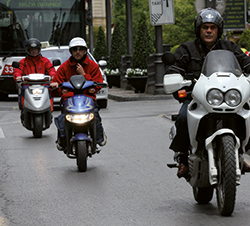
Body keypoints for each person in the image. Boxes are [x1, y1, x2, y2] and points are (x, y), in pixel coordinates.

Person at [166, 8, 250, 178]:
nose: (209, 30)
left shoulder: (230, 47)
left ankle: (241, 151)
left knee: (247, 113)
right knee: (183, 116)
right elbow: (174, 68)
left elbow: (245, 63)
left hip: (226, 96)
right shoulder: (187, 49)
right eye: (205, 27)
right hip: (197, 97)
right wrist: (175, 80)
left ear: (218, 29)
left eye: (213, 27)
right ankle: (183, 157)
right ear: (199, 29)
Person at [51, 37, 107, 149]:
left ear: (85, 51)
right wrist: (55, 86)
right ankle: (62, 141)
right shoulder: (64, 67)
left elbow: (98, 83)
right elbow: (55, 83)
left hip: (87, 99)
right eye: (75, 49)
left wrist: (84, 74)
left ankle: (100, 137)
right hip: (69, 100)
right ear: (71, 51)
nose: (77, 52)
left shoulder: (93, 66)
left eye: (80, 49)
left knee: (95, 116)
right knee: (63, 119)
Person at [13, 38, 56, 111]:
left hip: (43, 85)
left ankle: (49, 110)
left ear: (39, 49)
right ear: (28, 50)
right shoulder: (23, 62)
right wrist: (18, 76)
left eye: (35, 49)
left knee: (49, 90)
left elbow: (51, 69)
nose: (33, 51)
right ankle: (24, 110)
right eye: (31, 49)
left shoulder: (45, 61)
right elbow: (18, 70)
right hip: (28, 85)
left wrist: (53, 76)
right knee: (23, 89)